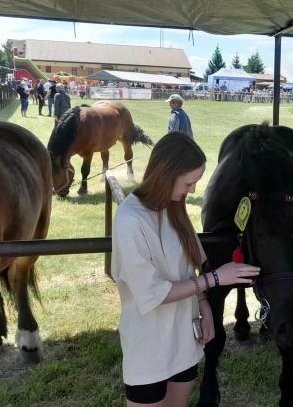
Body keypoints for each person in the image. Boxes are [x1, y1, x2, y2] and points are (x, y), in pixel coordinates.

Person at [111, 132, 260, 407]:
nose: (192, 190)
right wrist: (215, 279)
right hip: (149, 342)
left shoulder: (174, 209)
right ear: (165, 174)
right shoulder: (131, 219)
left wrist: (204, 308)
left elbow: (188, 269)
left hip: (183, 338)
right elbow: (152, 293)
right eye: (189, 182)